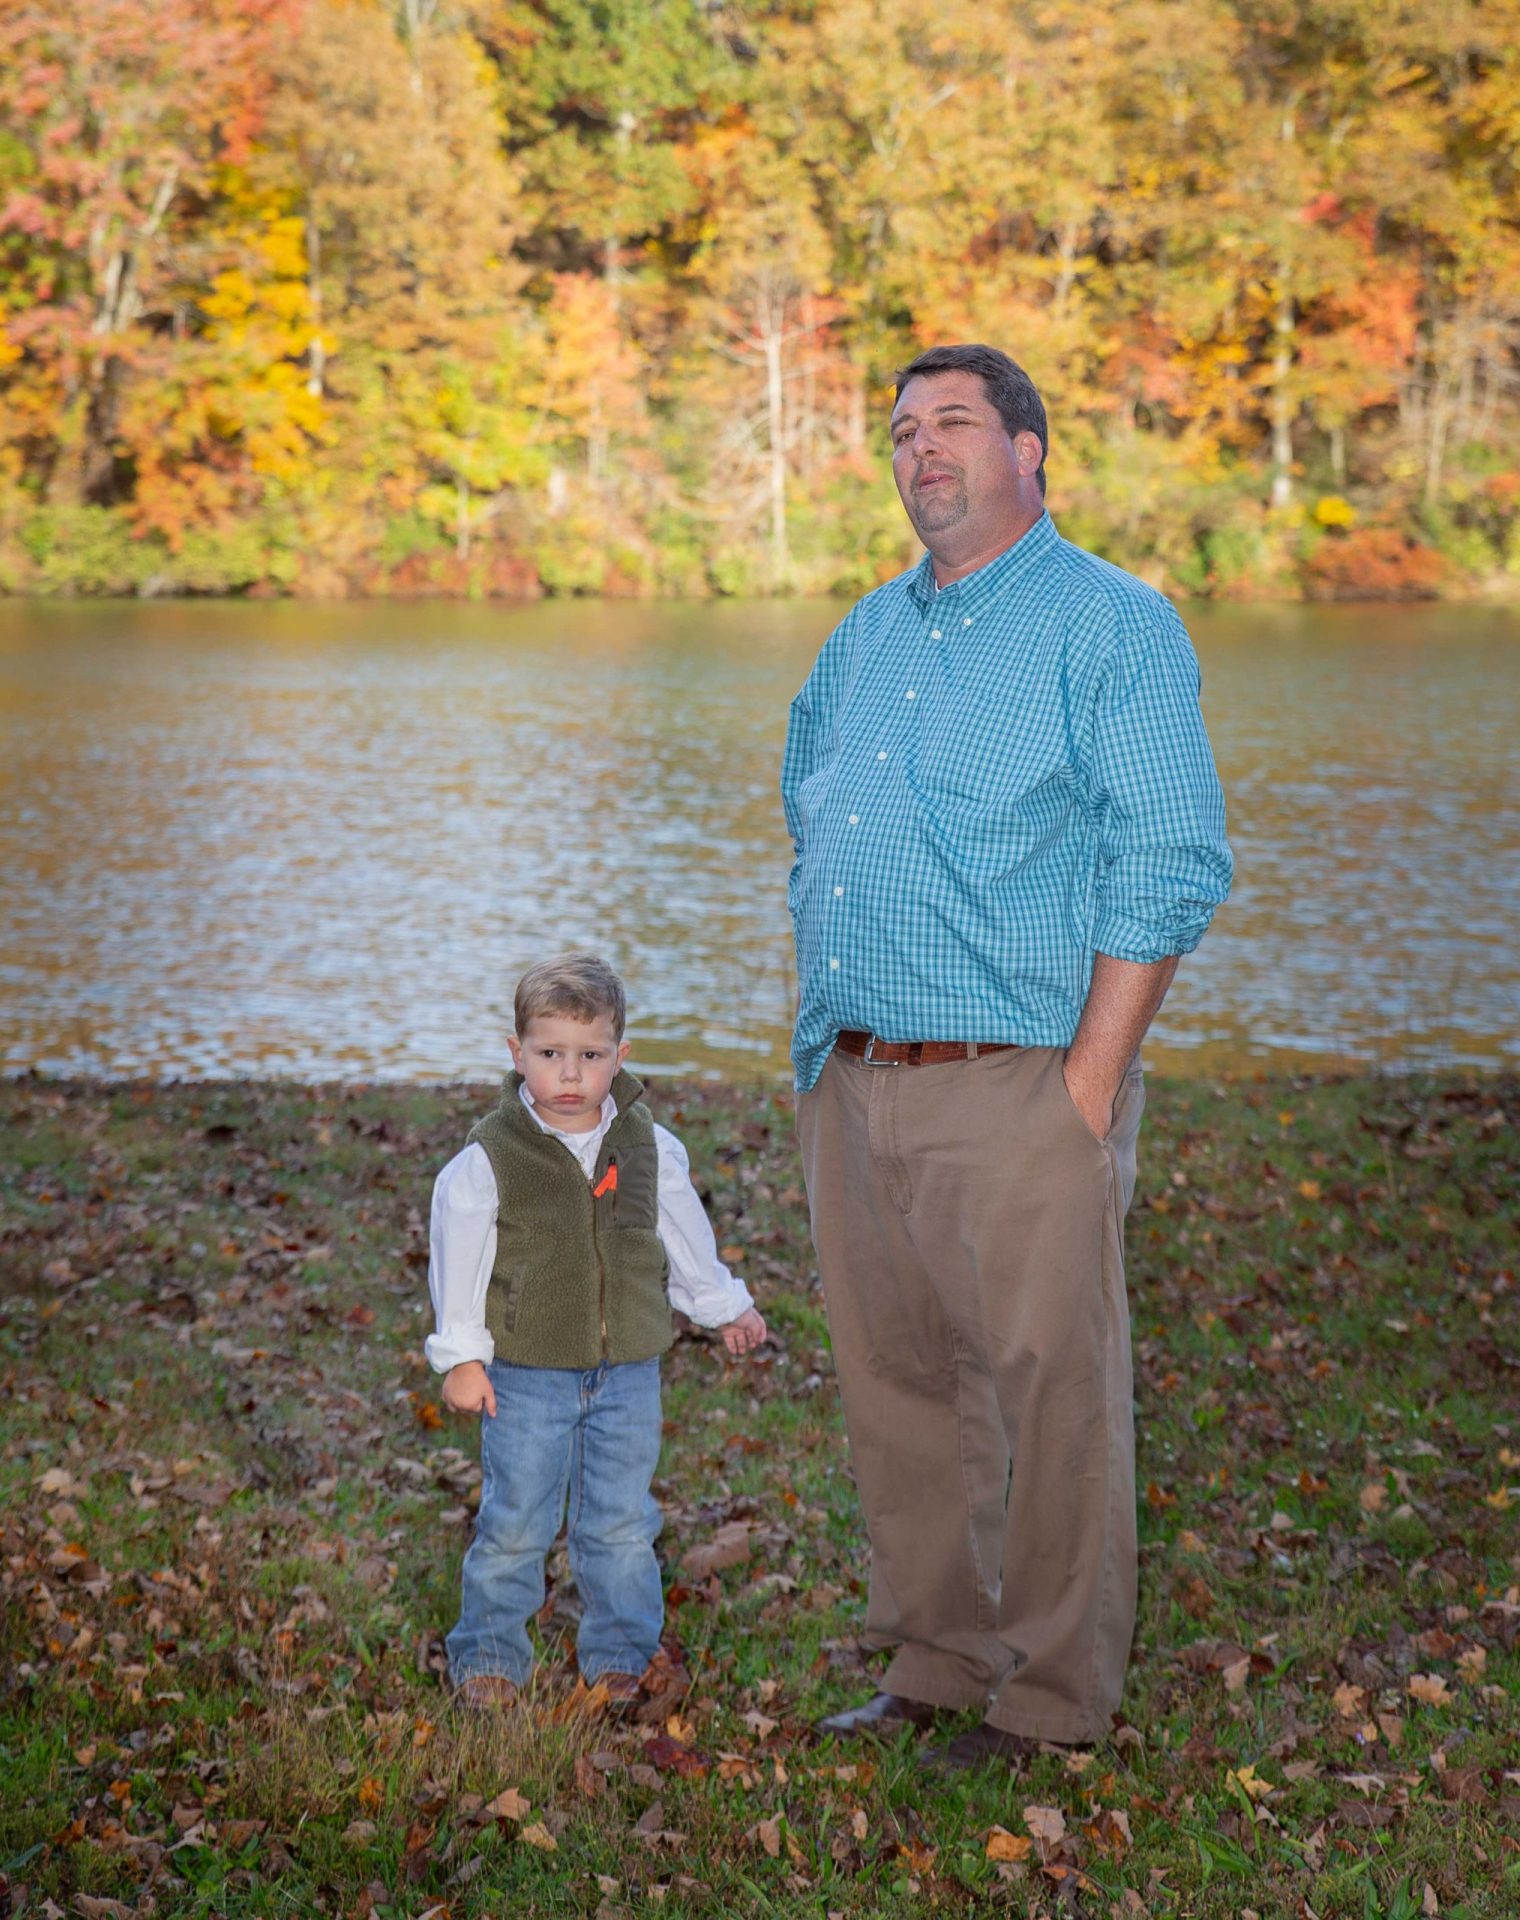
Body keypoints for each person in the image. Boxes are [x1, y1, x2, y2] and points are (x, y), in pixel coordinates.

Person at [782, 344, 1232, 1770]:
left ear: (1028, 450)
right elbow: (813, 796)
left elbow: (1169, 860)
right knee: (900, 1384)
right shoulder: (866, 633)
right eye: (903, 428)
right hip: (857, 1080)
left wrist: (1090, 1083)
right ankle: (936, 1656)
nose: (922, 448)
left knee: (1049, 1393)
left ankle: (1047, 1699)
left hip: (1022, 1078)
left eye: (955, 423)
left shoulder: (1113, 626)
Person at [426, 951, 767, 1708]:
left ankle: (619, 1651)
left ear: (621, 1054)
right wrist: (461, 1356)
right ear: (518, 1055)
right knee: (516, 1520)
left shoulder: (649, 1146)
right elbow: (461, 1255)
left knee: (619, 1522)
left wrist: (725, 1307)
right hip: (525, 1372)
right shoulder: (491, 1158)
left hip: (627, 1372)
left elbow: (681, 1239)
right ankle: (488, 1654)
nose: (571, 1075)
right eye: (551, 1056)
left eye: (591, 1056)